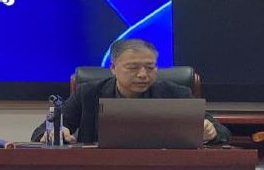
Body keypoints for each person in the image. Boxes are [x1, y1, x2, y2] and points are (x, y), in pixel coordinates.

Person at [32, 38, 230, 144]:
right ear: (113, 68)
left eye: (150, 67)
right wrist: (54, 133)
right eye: (133, 68)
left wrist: (211, 132)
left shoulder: (176, 93)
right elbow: (41, 131)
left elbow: (223, 132)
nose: (143, 74)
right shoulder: (87, 94)